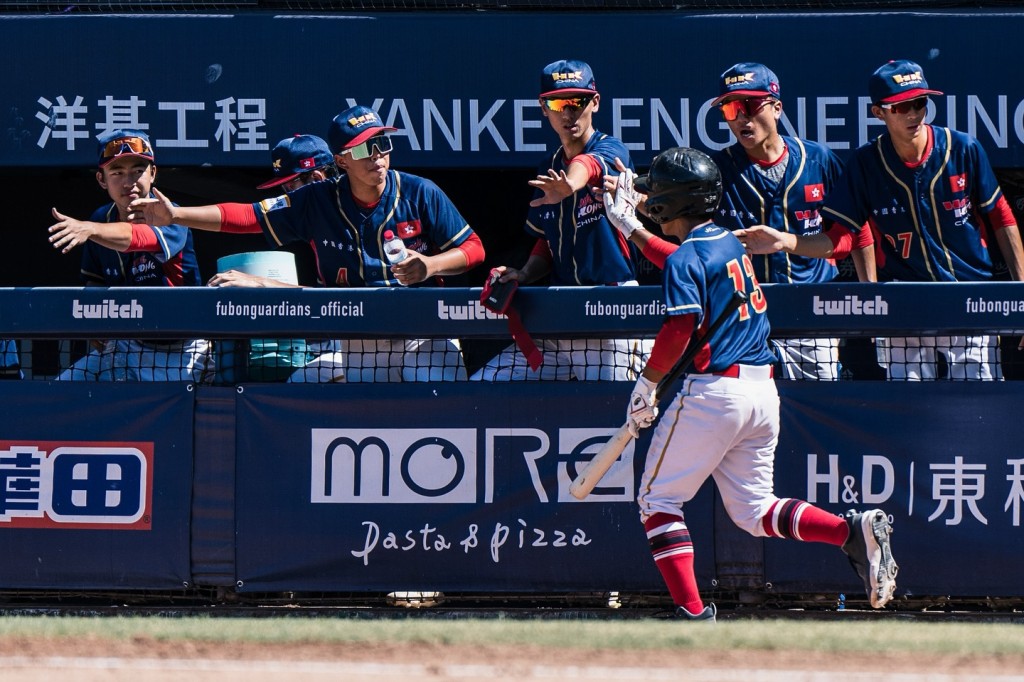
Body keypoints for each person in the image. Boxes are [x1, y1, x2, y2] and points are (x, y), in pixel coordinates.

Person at [604, 146, 898, 621]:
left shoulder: (691, 256)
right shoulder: (726, 241)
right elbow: (684, 262)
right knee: (754, 511)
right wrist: (632, 229)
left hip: (714, 394)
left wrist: (647, 382)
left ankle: (693, 614)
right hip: (762, 394)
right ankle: (849, 531)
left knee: (658, 501)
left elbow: (679, 324)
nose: (649, 196)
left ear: (672, 203)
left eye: (656, 192)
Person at [128, 105, 485, 382]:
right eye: (365, 149)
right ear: (342, 160)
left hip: (424, 328)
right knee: (375, 416)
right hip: (361, 334)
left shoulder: (420, 191)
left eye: (382, 144)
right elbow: (247, 216)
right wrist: (176, 215)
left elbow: (474, 248)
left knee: (440, 403)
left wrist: (431, 265)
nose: (377, 155)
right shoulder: (317, 199)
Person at [737, 59, 1024, 381]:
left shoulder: (962, 148)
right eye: (901, 107)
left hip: (968, 298)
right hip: (904, 302)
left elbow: (1001, 216)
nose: (914, 113)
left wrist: (1022, 293)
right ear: (879, 113)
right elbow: (844, 238)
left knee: (979, 401)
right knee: (907, 406)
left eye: (919, 103)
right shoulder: (866, 163)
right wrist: (787, 241)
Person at [472, 58, 650, 381]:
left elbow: (589, 165)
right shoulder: (549, 167)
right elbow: (546, 237)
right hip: (563, 310)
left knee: (611, 412)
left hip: (610, 309)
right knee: (488, 383)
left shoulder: (612, 150)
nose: (568, 113)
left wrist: (570, 184)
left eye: (577, 101)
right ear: (544, 108)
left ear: (595, 102)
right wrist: (525, 272)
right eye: (557, 103)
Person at [47, 129, 212, 382]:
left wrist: (91, 230)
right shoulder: (101, 219)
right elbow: (95, 282)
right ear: (102, 180)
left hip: (182, 351)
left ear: (153, 174)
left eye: (138, 171)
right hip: (126, 346)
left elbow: (140, 237)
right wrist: (95, 323)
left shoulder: (171, 214)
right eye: (117, 173)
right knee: (59, 393)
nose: (129, 182)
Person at [212, 134, 346, 383]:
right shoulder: (317, 220)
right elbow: (246, 216)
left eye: (290, 187)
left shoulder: (352, 214)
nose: (285, 197)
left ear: (317, 178)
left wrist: (263, 283)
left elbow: (341, 303)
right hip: (345, 348)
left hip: (390, 343)